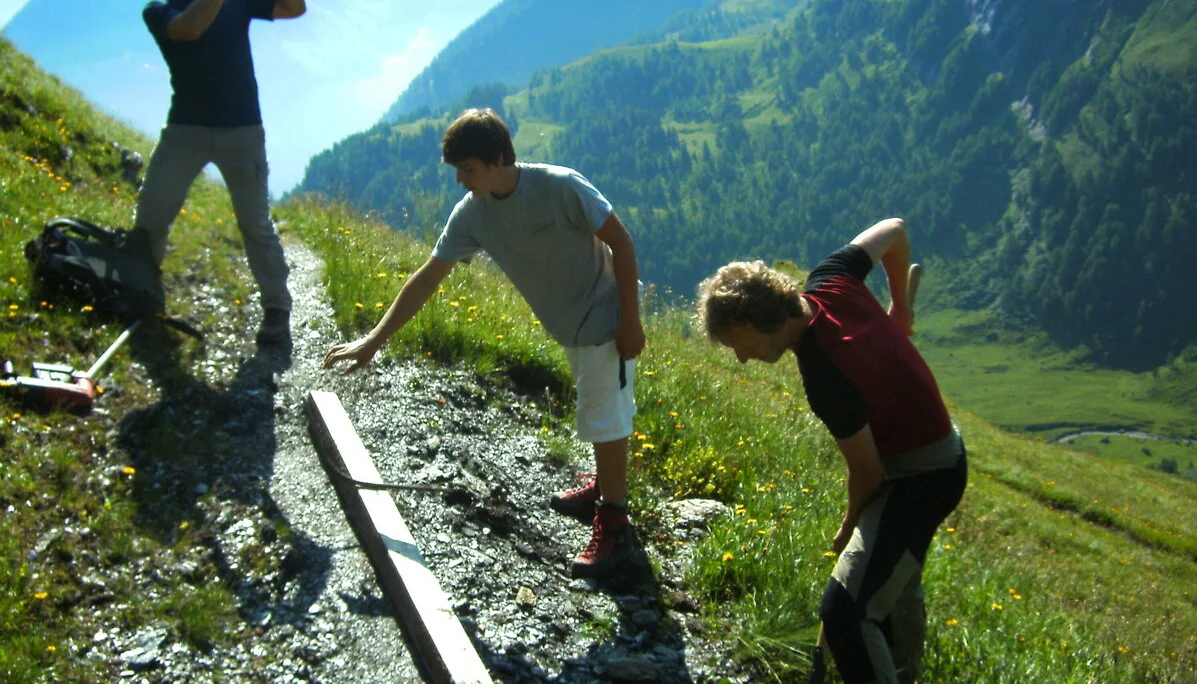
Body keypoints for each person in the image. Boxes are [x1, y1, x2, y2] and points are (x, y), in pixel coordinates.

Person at [323, 108, 646, 578]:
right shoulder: (473, 214)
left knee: (605, 418)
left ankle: (615, 526)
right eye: (457, 170)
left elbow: (622, 242)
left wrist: (631, 321)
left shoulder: (561, 186)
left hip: (607, 317)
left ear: (498, 159)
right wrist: (374, 340)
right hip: (571, 326)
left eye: (468, 169)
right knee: (600, 409)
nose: (460, 180)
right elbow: (427, 277)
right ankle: (604, 484)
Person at [696, 218, 967, 684]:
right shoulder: (831, 278)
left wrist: (850, 524)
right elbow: (895, 230)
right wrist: (901, 309)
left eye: (744, 345)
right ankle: (903, 668)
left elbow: (868, 473)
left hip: (925, 477)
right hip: (931, 454)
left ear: (773, 322)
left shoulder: (825, 373)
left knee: (845, 612)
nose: (742, 358)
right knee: (888, 583)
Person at [136, 0, 305, 344]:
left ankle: (276, 309)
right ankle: (141, 290)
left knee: (255, 223)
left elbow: (294, 8)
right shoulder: (159, 12)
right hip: (185, 132)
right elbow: (190, 28)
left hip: (243, 131)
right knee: (151, 216)